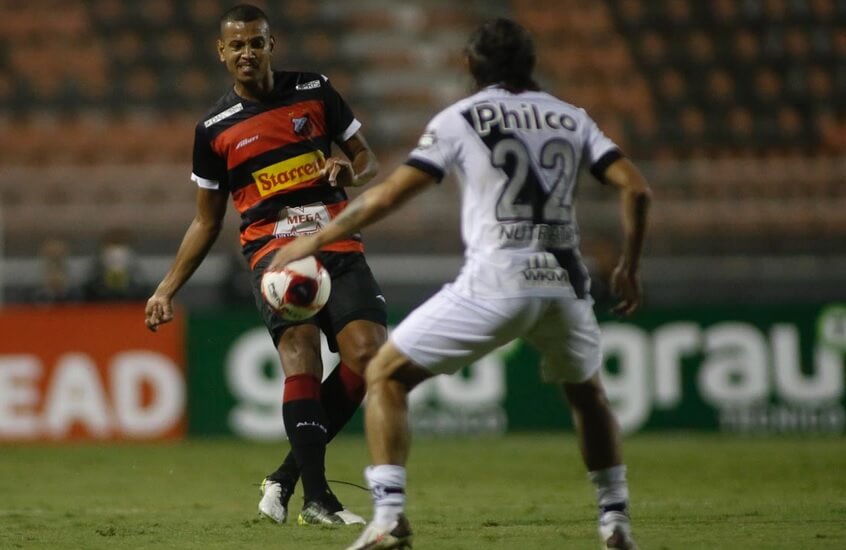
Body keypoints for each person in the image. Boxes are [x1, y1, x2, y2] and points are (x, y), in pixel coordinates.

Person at [269, 18, 651, 550]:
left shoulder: (461, 118)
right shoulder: (571, 117)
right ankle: (614, 520)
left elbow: (387, 195)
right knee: (588, 397)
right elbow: (636, 188)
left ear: (471, 65)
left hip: (497, 281)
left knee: (383, 373)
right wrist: (629, 266)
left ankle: (389, 516)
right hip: (566, 285)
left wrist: (312, 242)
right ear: (530, 65)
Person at [144, 4, 387, 527]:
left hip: (336, 245)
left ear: (271, 45)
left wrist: (350, 167)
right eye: (237, 45)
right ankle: (319, 500)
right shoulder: (213, 130)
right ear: (221, 53)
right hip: (276, 258)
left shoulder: (315, 90)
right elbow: (205, 222)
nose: (247, 53)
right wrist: (167, 288)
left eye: (256, 42)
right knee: (301, 361)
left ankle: (284, 478)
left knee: (368, 357)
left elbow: (367, 158)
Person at [82, 228, 149, 302]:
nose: (117, 260)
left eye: (121, 256)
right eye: (111, 257)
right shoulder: (90, 290)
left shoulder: (141, 290)